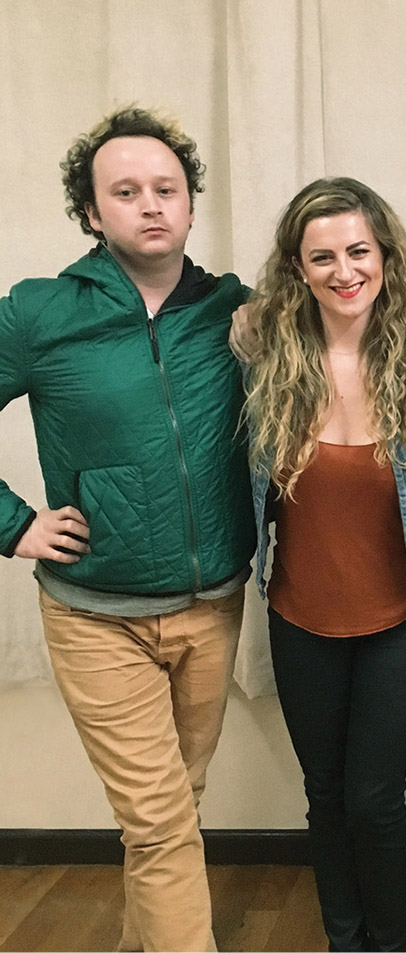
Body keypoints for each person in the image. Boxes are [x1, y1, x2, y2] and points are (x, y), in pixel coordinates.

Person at [0, 107, 253, 951]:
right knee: (160, 824)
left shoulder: (233, 311)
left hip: (212, 605)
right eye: (126, 191)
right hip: (93, 615)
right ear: (91, 212)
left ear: (189, 204)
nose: (151, 205)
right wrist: (14, 524)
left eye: (166, 189)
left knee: (176, 807)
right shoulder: (40, 314)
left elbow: (362, 317)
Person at [239, 177, 406, 953]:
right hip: (299, 609)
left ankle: (390, 943)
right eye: (323, 256)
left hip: (403, 613)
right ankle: (343, 939)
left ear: (385, 257)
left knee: (375, 798)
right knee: (325, 795)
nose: (344, 270)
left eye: (358, 251)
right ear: (297, 268)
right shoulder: (264, 356)